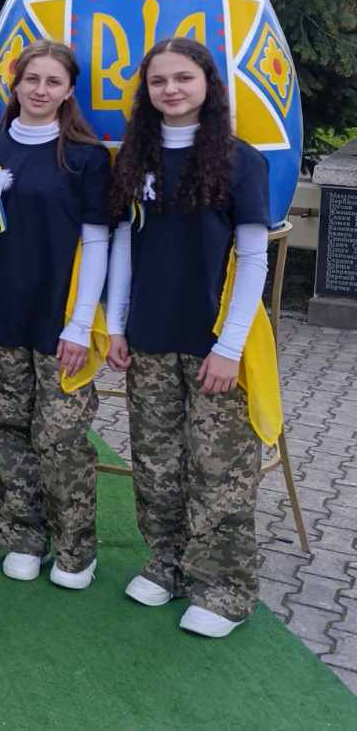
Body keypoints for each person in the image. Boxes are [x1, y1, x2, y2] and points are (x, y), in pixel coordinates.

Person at [106, 37, 279, 639]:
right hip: (149, 337)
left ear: (208, 84)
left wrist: (229, 346)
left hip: (215, 345)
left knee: (219, 469)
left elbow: (253, 259)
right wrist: (117, 325)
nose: (171, 89)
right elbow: (124, 244)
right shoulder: (135, 158)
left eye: (183, 78)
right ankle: (168, 563)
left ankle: (225, 588)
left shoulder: (240, 160)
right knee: (157, 462)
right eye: (158, 81)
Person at [0, 41, 111, 590]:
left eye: (53, 82)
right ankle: (22, 538)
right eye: (32, 79)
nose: (41, 90)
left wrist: (80, 325)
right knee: (7, 434)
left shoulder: (87, 158)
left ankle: (75, 548)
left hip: (61, 324)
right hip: (0, 318)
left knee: (61, 440)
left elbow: (98, 244)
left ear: (69, 91)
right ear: (15, 83)